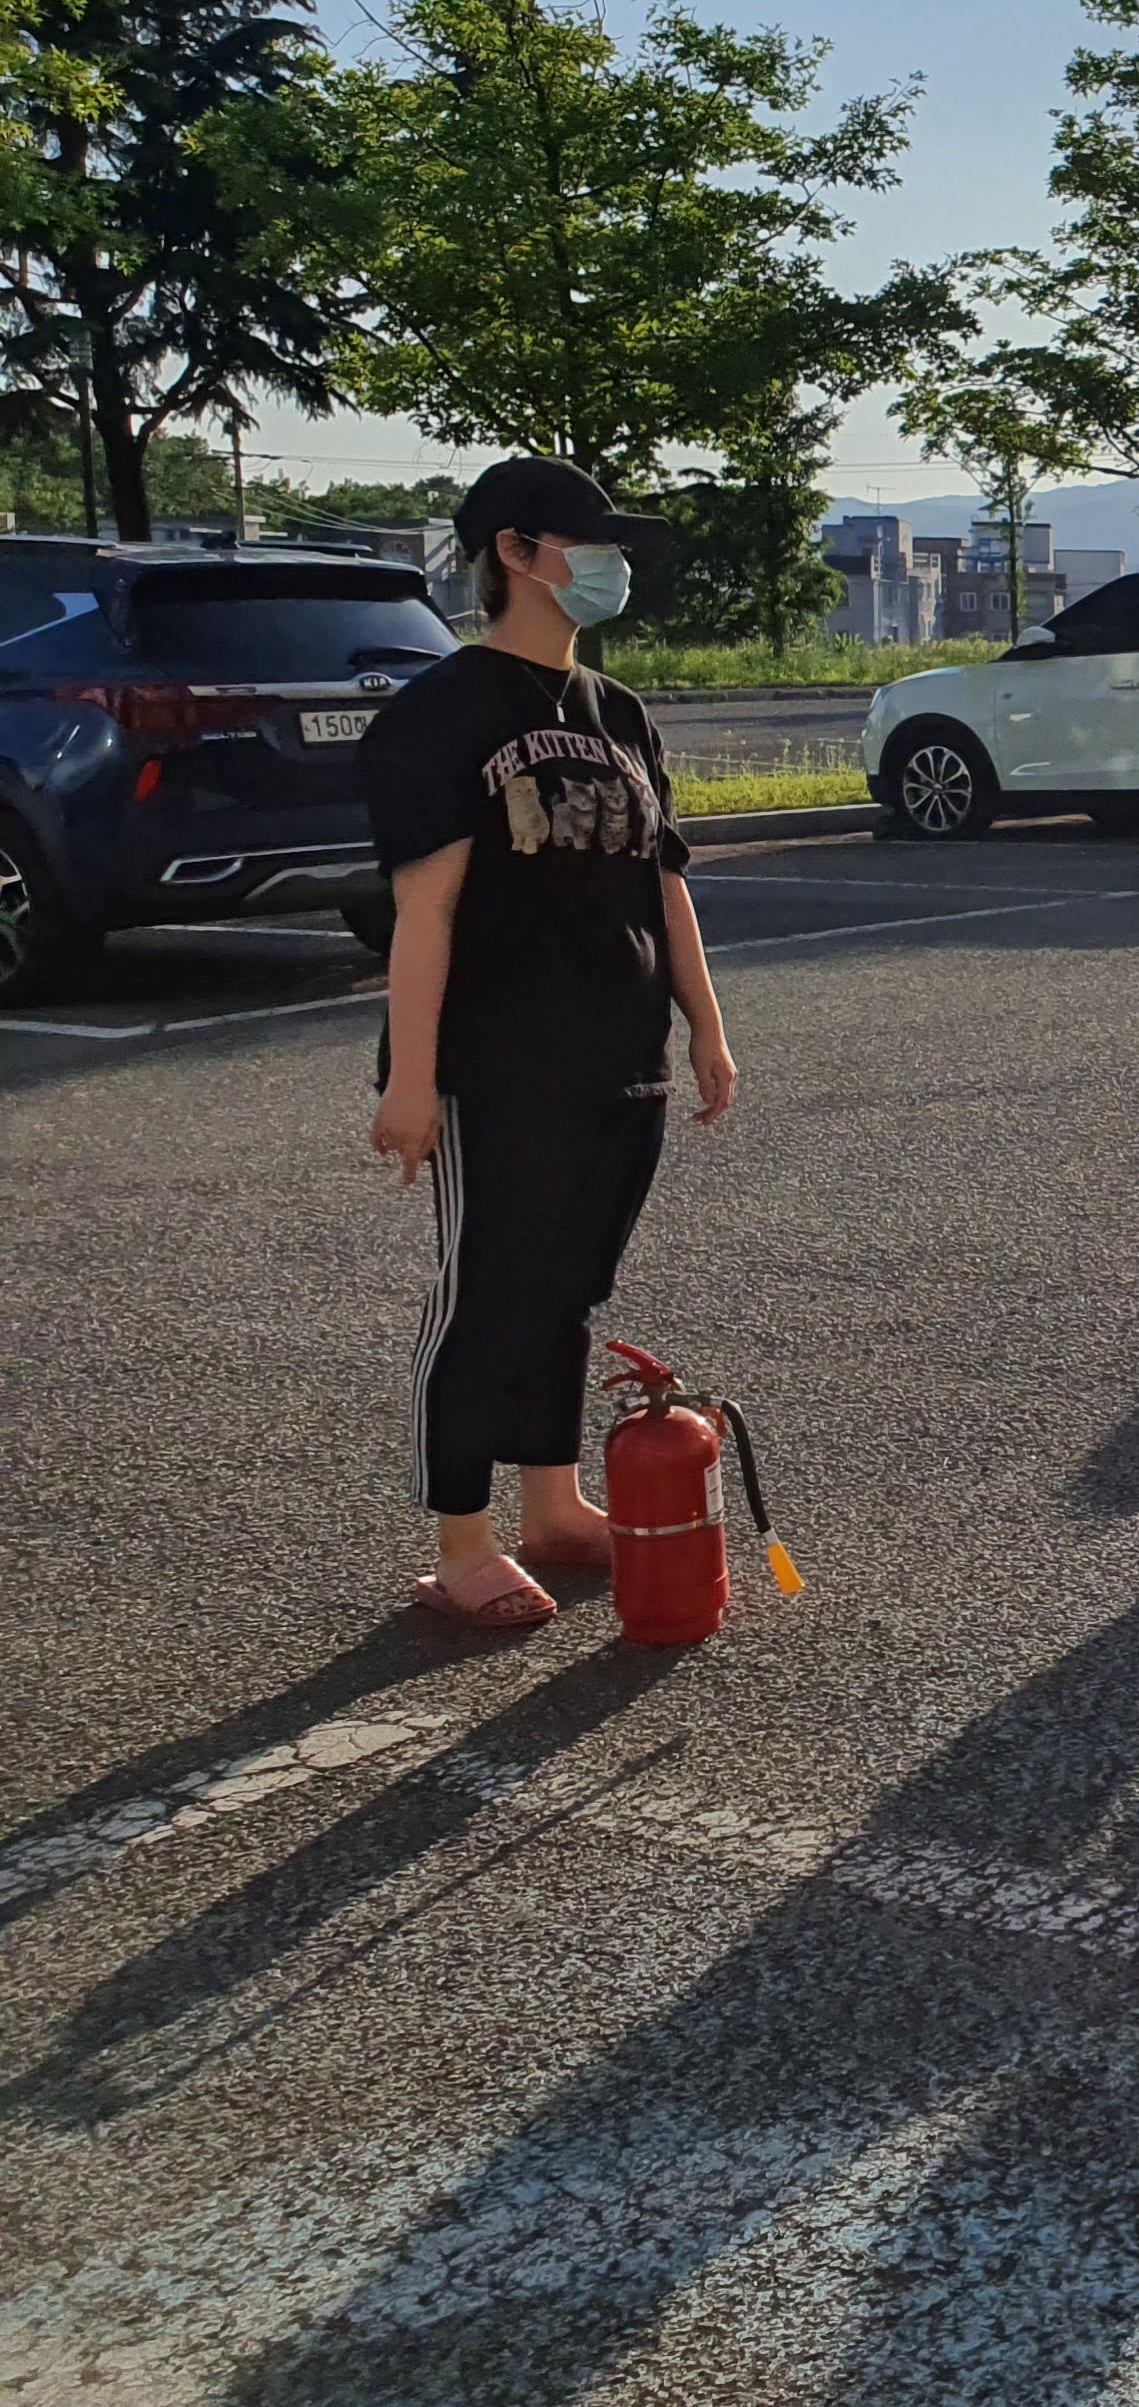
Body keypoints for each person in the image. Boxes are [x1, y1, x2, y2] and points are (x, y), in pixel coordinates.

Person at [364, 457, 735, 1632]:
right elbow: (423, 911)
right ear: (516, 554)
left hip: (620, 1055)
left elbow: (665, 886)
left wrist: (707, 1026)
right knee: (489, 1294)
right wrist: (411, 1080)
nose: (611, 566)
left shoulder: (618, 712)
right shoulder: (444, 711)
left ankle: (555, 1507)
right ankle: (460, 1545)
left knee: (569, 1289)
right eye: (590, 545)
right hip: (500, 1064)